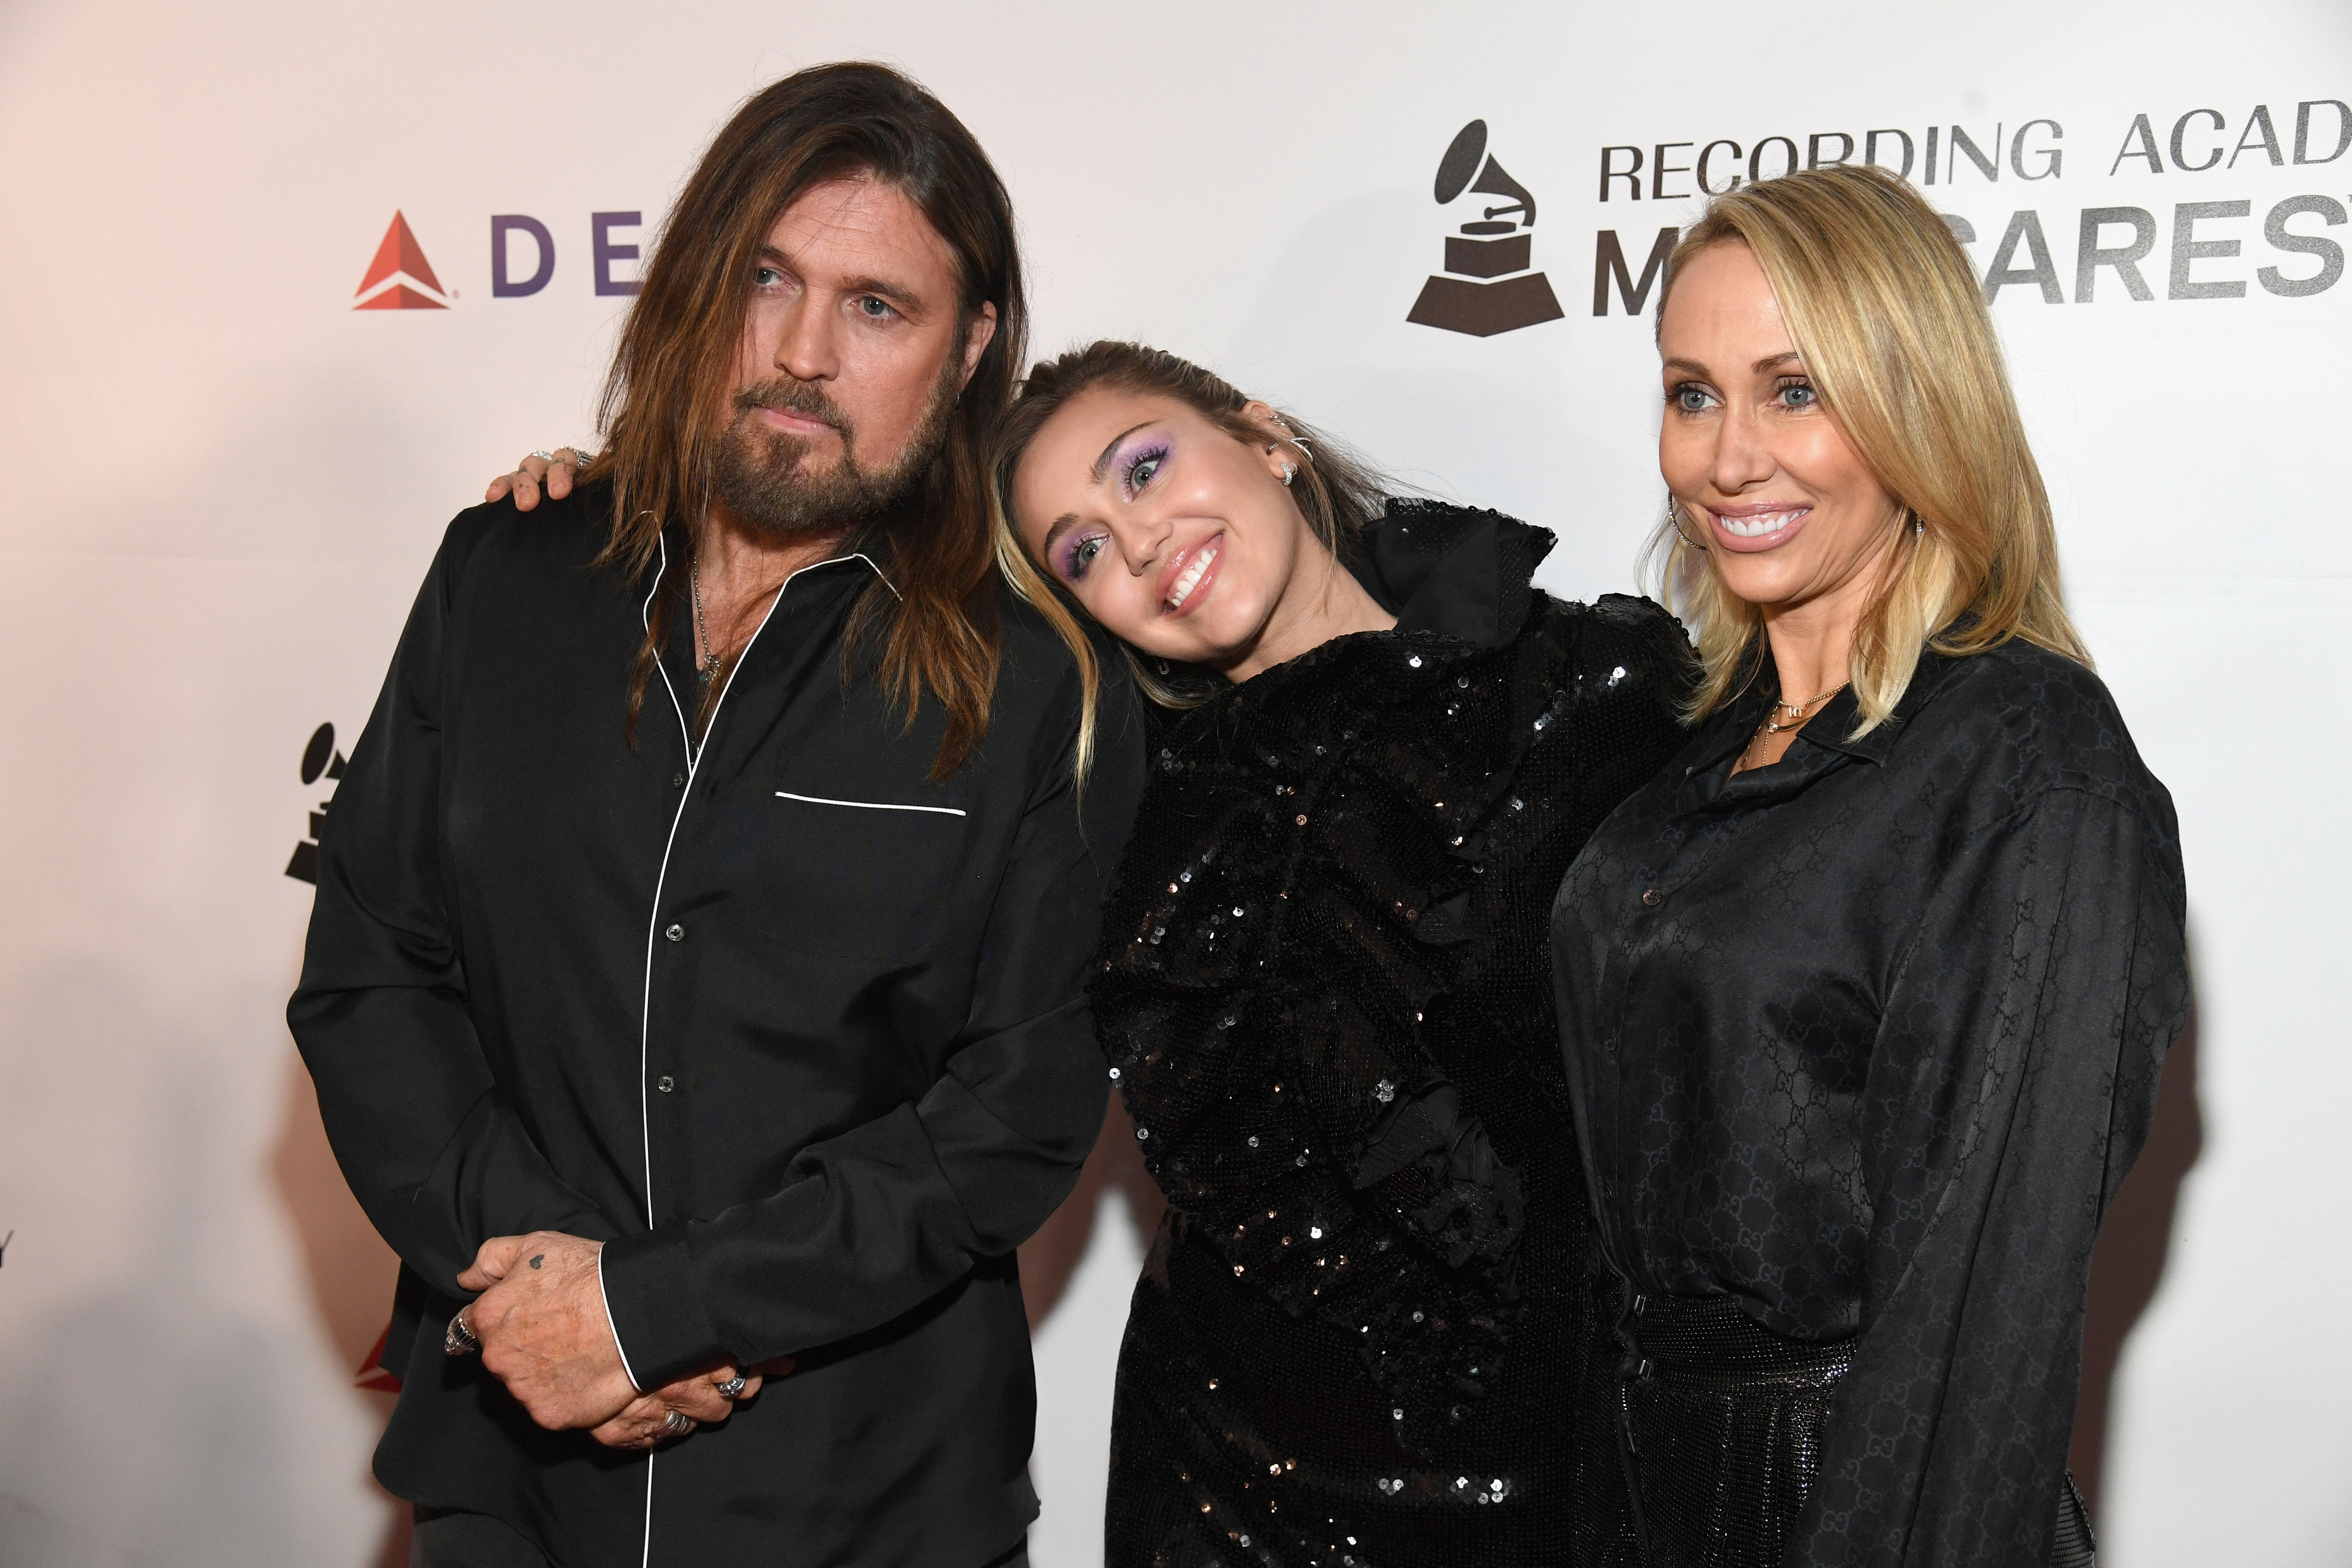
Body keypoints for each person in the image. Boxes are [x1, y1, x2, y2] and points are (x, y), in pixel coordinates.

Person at [290, 63, 1144, 1568]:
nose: (803, 351)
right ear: (696, 283)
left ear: (970, 349)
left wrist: (655, 1310)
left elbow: (1008, 1116)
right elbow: (374, 973)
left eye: (877, 306)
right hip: (512, 1478)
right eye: (768, 279)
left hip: (869, 1502)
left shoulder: (1038, 684)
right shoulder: (504, 575)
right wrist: (552, 1298)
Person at [1549, 165, 2187, 1567]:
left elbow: (1979, 1319)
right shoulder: (1697, 751)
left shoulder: (2024, 762)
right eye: (1689, 391)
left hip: (1858, 1498)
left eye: (1794, 390)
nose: (1725, 458)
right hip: (1639, 1488)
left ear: (1918, 404)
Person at [985, 341, 1689, 1566]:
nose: (1137, 542)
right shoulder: (1130, 797)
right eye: (1082, 550)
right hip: (1217, 1480)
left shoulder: (1593, 691)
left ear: (1266, 437)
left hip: (1551, 1467)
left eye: (1142, 469)